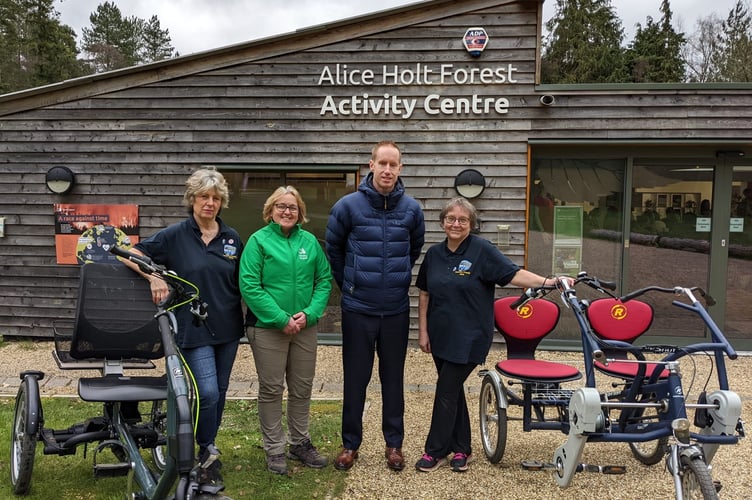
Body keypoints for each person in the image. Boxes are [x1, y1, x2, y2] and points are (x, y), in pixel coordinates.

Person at [415, 197, 566, 473]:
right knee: (453, 391)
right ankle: (462, 449)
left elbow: (513, 274)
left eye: (462, 219)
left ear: (472, 224)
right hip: (439, 336)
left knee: (446, 390)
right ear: (442, 222)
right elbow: (424, 292)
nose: (456, 224)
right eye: (450, 218)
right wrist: (423, 331)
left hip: (470, 336)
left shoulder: (482, 251)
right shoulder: (434, 255)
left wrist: (549, 282)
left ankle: (434, 451)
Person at [120, 167, 244, 493]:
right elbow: (131, 253)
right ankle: (204, 448)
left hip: (228, 328)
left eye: (216, 198)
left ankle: (208, 448)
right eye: (204, 196)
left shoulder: (232, 239)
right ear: (193, 199)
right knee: (208, 393)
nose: (210, 203)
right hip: (191, 326)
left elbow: (242, 280)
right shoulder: (174, 235)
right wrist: (154, 277)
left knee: (220, 389)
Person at [325, 140, 425, 472]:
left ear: (400, 168)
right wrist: (350, 284)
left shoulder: (412, 210)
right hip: (358, 308)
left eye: (392, 164)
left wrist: (393, 282)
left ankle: (394, 444)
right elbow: (335, 251)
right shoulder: (347, 206)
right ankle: (350, 444)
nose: (386, 170)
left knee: (393, 380)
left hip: (395, 309)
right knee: (355, 379)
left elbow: (413, 251)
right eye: (381, 163)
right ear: (371, 165)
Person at [239, 186, 333, 475]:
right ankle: (275, 448)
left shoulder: (310, 242)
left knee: (302, 388)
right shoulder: (258, 241)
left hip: (305, 327)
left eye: (292, 207)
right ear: (270, 210)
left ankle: (300, 442)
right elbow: (250, 285)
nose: (287, 211)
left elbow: (324, 281)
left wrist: (310, 313)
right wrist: (281, 319)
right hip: (268, 328)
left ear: (300, 212)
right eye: (281, 206)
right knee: (271, 389)